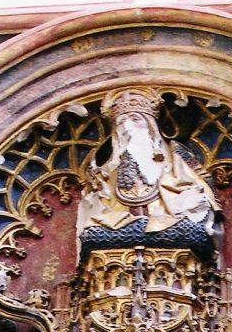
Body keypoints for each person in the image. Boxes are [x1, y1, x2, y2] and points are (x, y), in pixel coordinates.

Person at [76, 88, 220, 260]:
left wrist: (186, 201)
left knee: (191, 232)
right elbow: (98, 209)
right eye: (121, 123)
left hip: (170, 226)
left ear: (150, 125)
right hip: (121, 228)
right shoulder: (108, 170)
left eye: (135, 119)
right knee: (92, 235)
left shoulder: (174, 156)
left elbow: (202, 193)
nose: (127, 127)